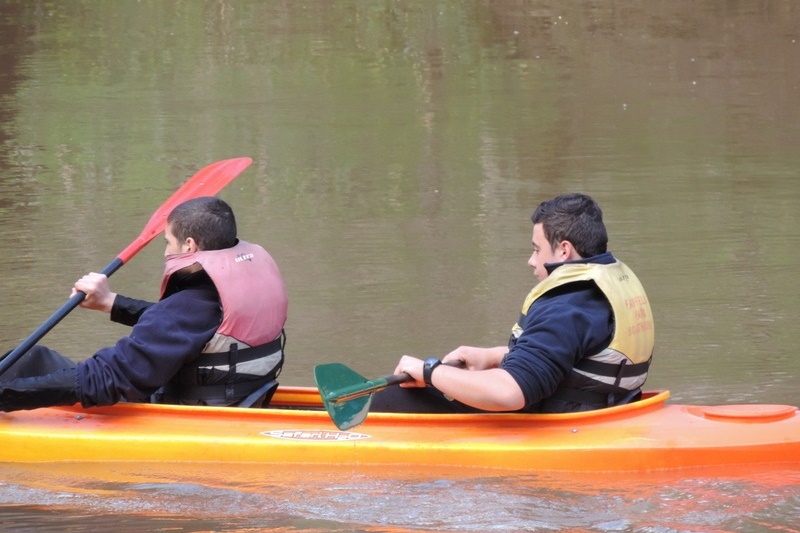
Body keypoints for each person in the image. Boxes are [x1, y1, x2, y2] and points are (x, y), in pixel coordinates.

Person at [370, 192, 654, 414]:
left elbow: (511, 393)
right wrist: (495, 356)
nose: (531, 261)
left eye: (536, 249)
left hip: (565, 421)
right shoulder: (602, 286)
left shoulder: (566, 305)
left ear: (564, 250)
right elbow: (576, 355)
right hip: (611, 408)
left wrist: (429, 371)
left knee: (394, 397)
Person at [0, 196, 288, 411]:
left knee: (30, 360)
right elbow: (196, 330)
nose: (166, 252)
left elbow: (105, 378)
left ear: (189, 246)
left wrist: (8, 395)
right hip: (242, 400)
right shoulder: (233, 290)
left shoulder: (186, 309)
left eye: (167, 242)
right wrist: (113, 303)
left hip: (182, 413)